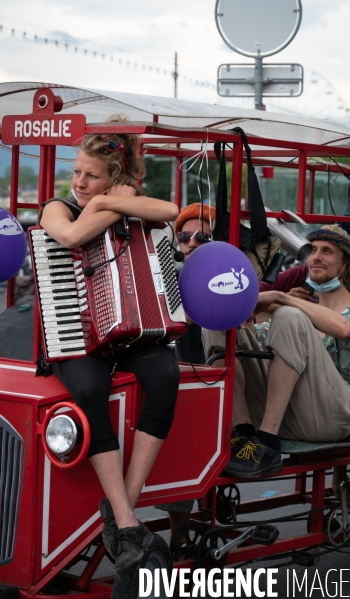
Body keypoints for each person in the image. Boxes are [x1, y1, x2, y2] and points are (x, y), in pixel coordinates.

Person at [38, 117, 180, 575]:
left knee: (166, 374)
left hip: (128, 332)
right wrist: (109, 201)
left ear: (116, 177)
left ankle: (124, 514)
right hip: (74, 331)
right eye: (76, 172)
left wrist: (126, 202)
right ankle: (126, 521)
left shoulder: (133, 205)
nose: (79, 182)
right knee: (90, 389)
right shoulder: (56, 208)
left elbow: (174, 211)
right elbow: (73, 236)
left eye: (92, 175)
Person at [224, 219, 350, 491]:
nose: (315, 257)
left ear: (347, 263)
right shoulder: (298, 317)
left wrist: (283, 298)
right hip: (294, 414)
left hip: (335, 418)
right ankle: (244, 434)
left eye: (327, 251)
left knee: (290, 314)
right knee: (222, 318)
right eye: (312, 250)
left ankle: (267, 439)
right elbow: (255, 342)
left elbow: (345, 329)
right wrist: (242, 316)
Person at [157, 202, 269, 536]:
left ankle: (243, 432)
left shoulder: (233, 280)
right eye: (185, 236)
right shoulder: (167, 280)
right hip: (185, 385)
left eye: (202, 237)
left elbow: (257, 301)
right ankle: (178, 535)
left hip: (226, 386)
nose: (191, 243)